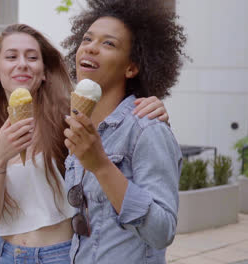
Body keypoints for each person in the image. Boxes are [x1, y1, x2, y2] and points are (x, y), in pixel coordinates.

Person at [0, 23, 170, 264]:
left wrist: (152, 105)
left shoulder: (68, 118)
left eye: (32, 57)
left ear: (44, 71)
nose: (22, 63)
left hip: (58, 254)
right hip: (4, 255)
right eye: (11, 56)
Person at [61, 0, 187, 263]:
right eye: (87, 39)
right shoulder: (80, 126)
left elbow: (162, 231)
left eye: (109, 43)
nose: (91, 48)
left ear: (132, 67)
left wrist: (102, 166)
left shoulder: (147, 129)